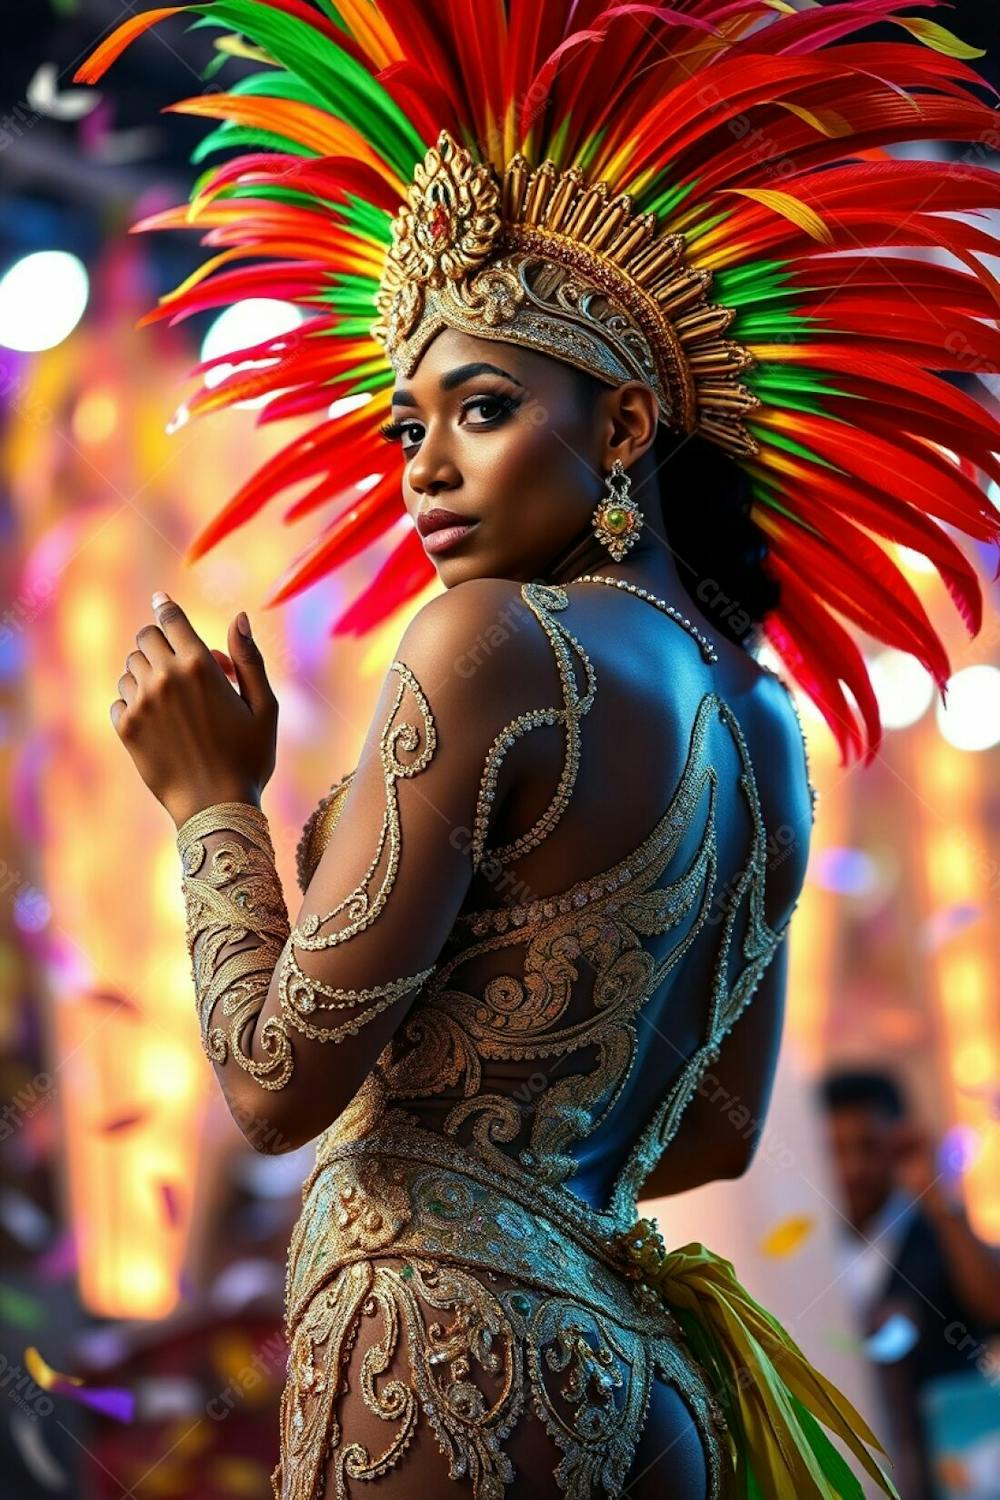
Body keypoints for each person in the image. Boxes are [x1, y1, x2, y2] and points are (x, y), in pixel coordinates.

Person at [75, 1, 1000, 1495]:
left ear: (626, 420)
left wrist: (209, 804)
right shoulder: (762, 720)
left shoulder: (495, 640)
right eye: (407, 423)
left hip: (443, 1346)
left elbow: (271, 1085)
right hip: (639, 1376)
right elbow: (710, 1126)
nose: (426, 470)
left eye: (485, 409)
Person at [820, 1069, 1000, 1500]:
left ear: (900, 1143)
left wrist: (937, 1196)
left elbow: (993, 1306)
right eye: (836, 1150)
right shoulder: (807, 1246)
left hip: (957, 1474)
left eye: (870, 1146)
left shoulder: (936, 1232)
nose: (854, 1168)